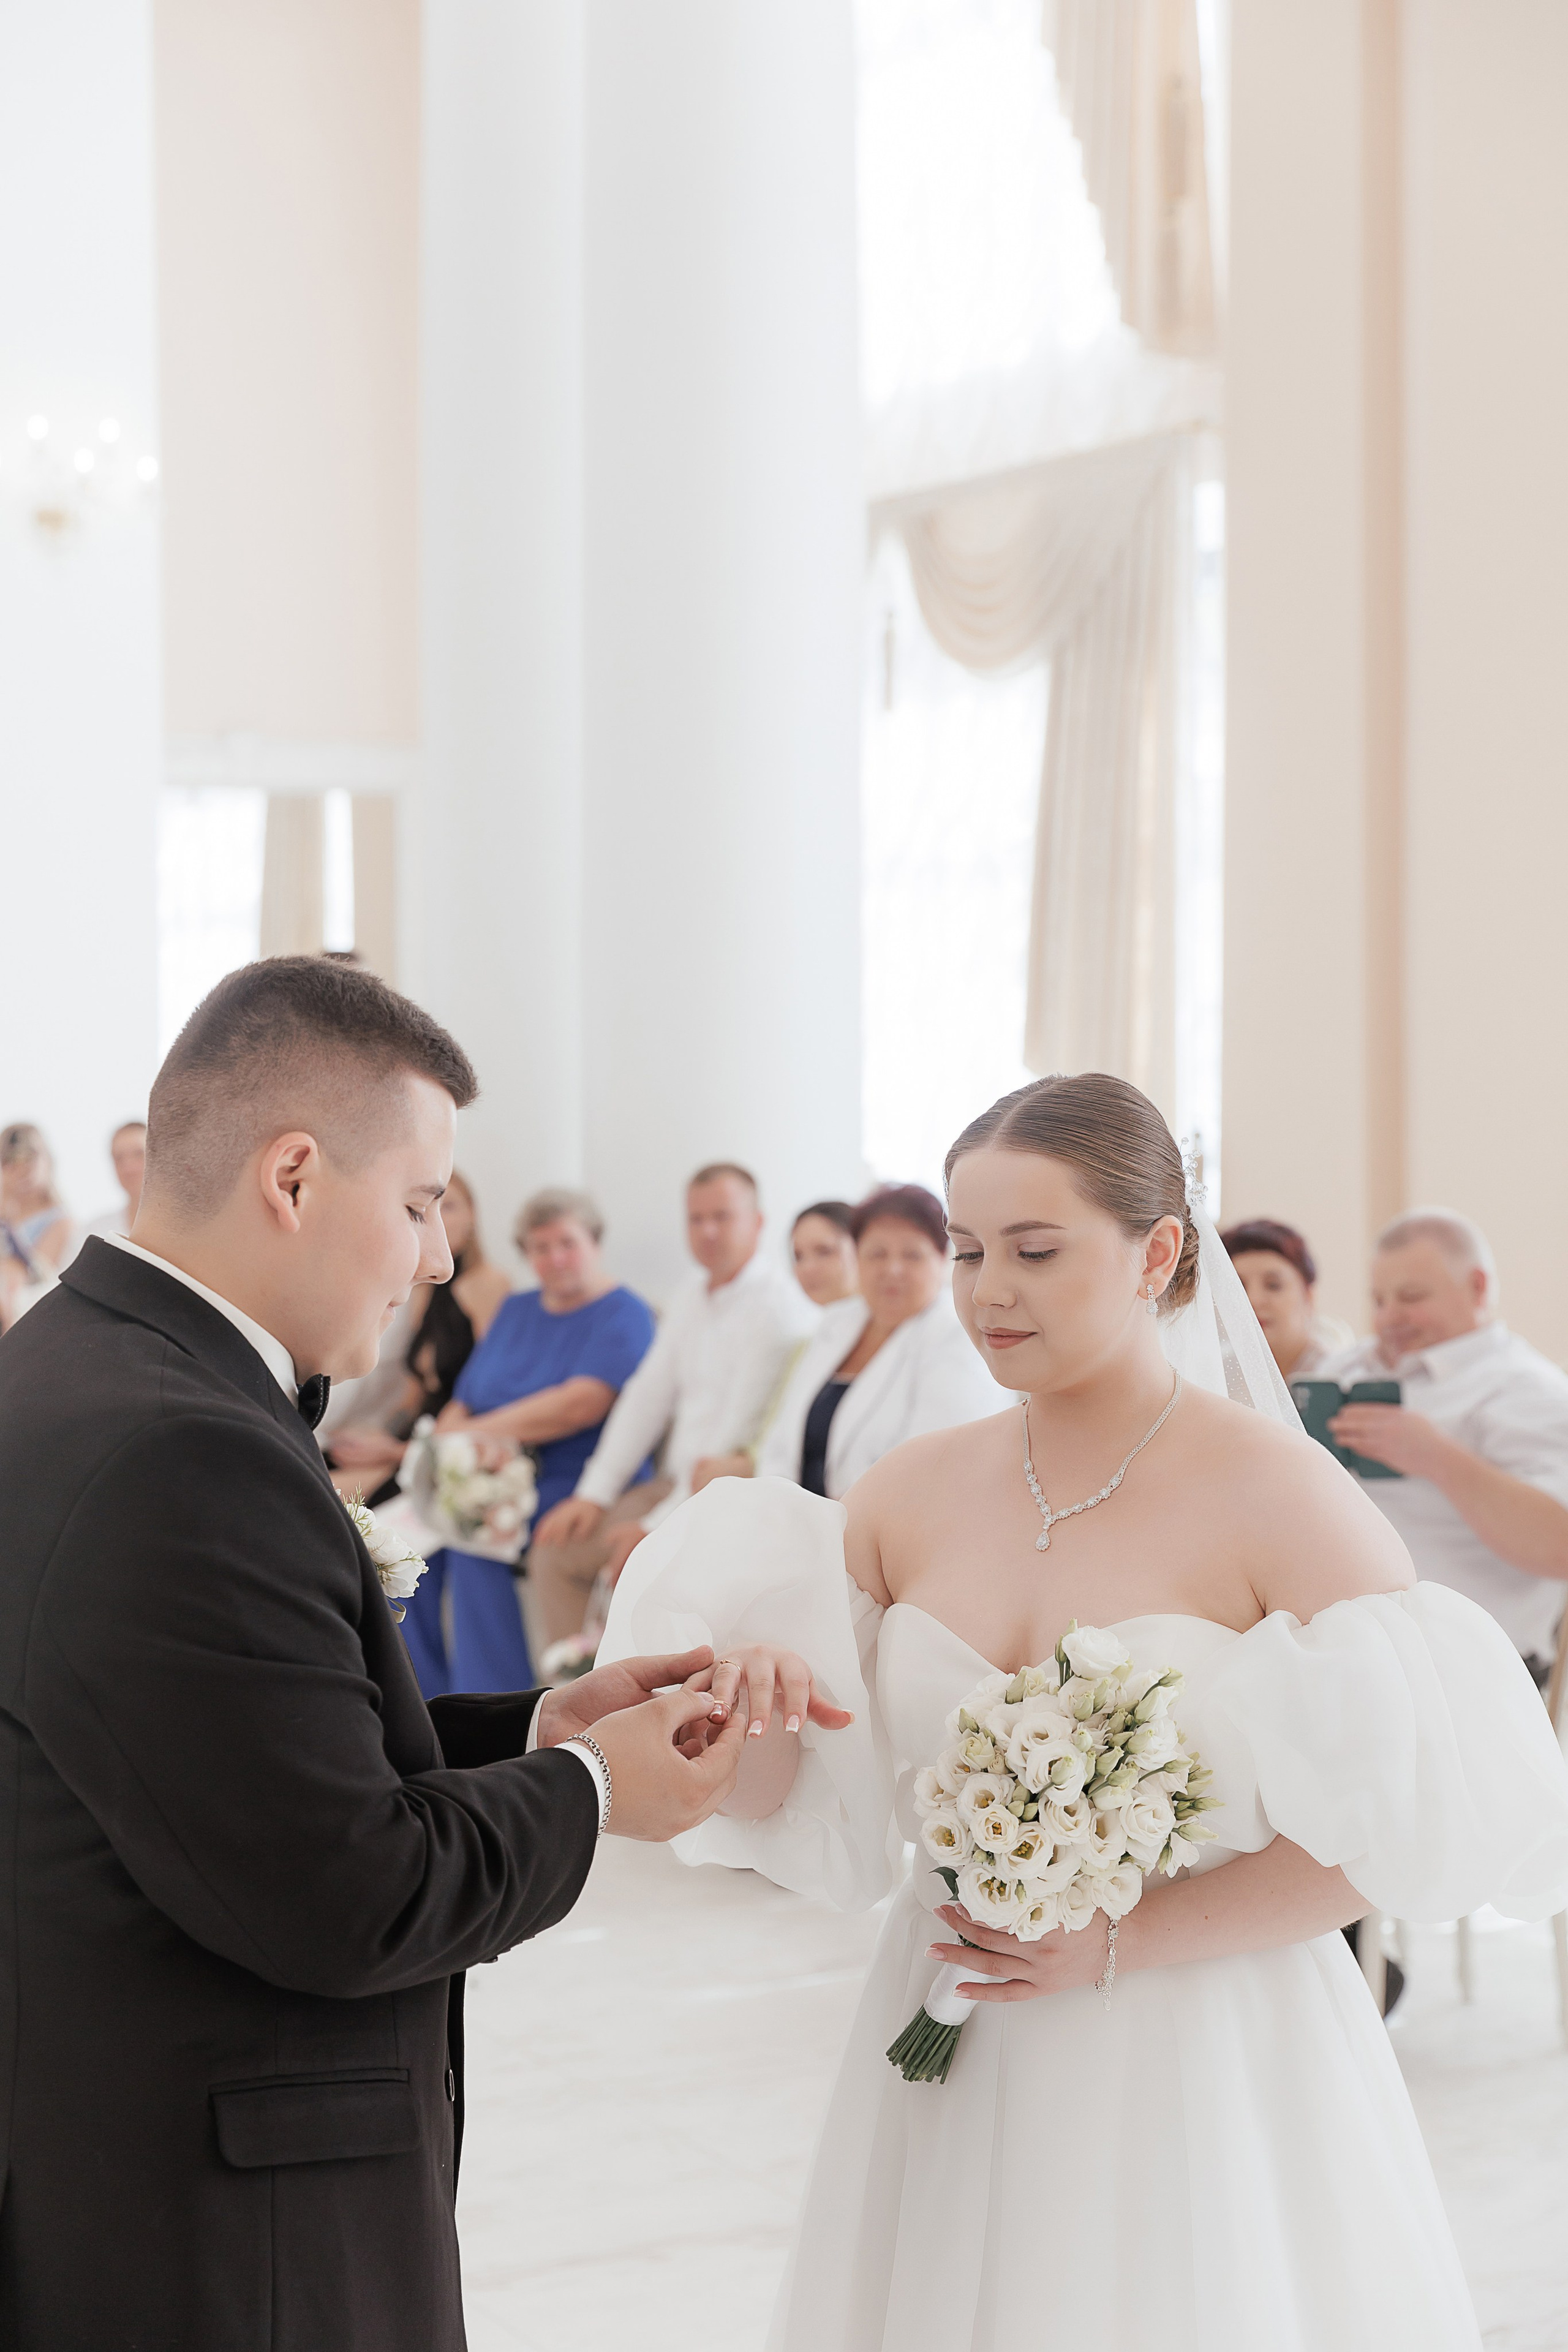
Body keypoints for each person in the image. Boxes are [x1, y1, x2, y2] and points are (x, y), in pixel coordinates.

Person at [600, 1072, 1568, 2352]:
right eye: (967, 1251)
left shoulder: (1279, 1493)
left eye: (1035, 1251)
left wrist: (1120, 1943)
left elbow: (1382, 1837)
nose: (987, 1291)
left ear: (1156, 1254)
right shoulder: (907, 1493)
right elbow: (809, 1800)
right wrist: (757, 1719)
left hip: (1200, 2045)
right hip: (953, 2022)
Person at [0, 955, 749, 2352]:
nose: (438, 1258)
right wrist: (596, 1789)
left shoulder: (69, 1361)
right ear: (293, 1177)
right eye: (417, 1204)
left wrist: (537, 1726)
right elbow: (351, 1892)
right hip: (233, 2242)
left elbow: (236, 1759)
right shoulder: (183, 1447)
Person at [530, 1161, 816, 1595]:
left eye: (722, 1217)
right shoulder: (691, 1293)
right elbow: (646, 1397)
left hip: (725, 1497)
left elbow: (732, 1440)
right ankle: (587, 1646)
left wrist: (654, 1527)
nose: (708, 1231)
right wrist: (594, 1494)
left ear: (758, 1223)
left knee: (619, 1562)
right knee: (556, 1548)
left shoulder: (777, 1310)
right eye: (696, 1219)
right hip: (673, 1484)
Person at [412, 1188, 658, 1692]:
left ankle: (495, 1699)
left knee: (475, 1538)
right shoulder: (518, 1309)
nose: (555, 1259)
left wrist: (472, 1432)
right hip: (491, 1468)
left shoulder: (624, 1312)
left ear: (595, 1243)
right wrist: (451, 1439)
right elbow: (467, 1396)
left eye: (567, 1244)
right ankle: (425, 1697)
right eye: (541, 1248)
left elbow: (579, 1405)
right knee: (410, 1549)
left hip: (573, 1480)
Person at [1322, 1208, 1568, 1681]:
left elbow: (1561, 1545)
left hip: (1468, 1671)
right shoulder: (1345, 1369)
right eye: (1379, 1300)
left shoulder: (1526, 1388)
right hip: (1345, 1652)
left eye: (1411, 1297)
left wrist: (1436, 1457)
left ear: (1477, 1287)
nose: (1389, 1317)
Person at [741, 1183, 997, 1497]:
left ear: (943, 1258)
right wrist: (776, 1504)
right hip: (792, 1514)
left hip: (880, 1523)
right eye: (877, 1254)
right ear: (857, 1256)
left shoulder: (956, 1336)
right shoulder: (838, 1321)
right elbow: (781, 1442)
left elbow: (934, 1471)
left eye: (912, 1255)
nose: (892, 1270)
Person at [324, 1168, 511, 1505]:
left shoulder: (487, 1284)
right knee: (316, 1460)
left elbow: (488, 1391)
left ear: (472, 1217)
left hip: (452, 1446)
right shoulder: (425, 1288)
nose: (439, 1221)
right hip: (413, 1436)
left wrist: (397, 1451)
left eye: (450, 1207)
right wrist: (375, 1435)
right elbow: (414, 1395)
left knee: (324, 1496)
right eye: (424, 1210)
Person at [690, 1198, 861, 1491]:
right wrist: (743, 1461)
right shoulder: (808, 1346)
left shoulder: (883, 1344)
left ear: (863, 1249)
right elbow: (774, 1432)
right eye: (798, 1256)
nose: (808, 1268)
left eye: (824, 1251)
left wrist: (746, 1466)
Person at [1221, 1215, 1351, 1379]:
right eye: (1238, 1288)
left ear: (1308, 1296)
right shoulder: (1215, 1377)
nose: (1253, 1300)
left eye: (1273, 1285)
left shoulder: (1341, 1377)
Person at [0, 1121, 73, 1328]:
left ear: (48, 1160)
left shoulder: (61, 1222)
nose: (22, 1170)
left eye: (30, 1158)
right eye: (11, 1161)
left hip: (30, 1318)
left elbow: (36, 1276)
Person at [77, 1118, 148, 1244]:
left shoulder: (182, 1230)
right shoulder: (96, 1231)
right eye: (119, 1158)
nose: (128, 1168)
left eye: (139, 1154)